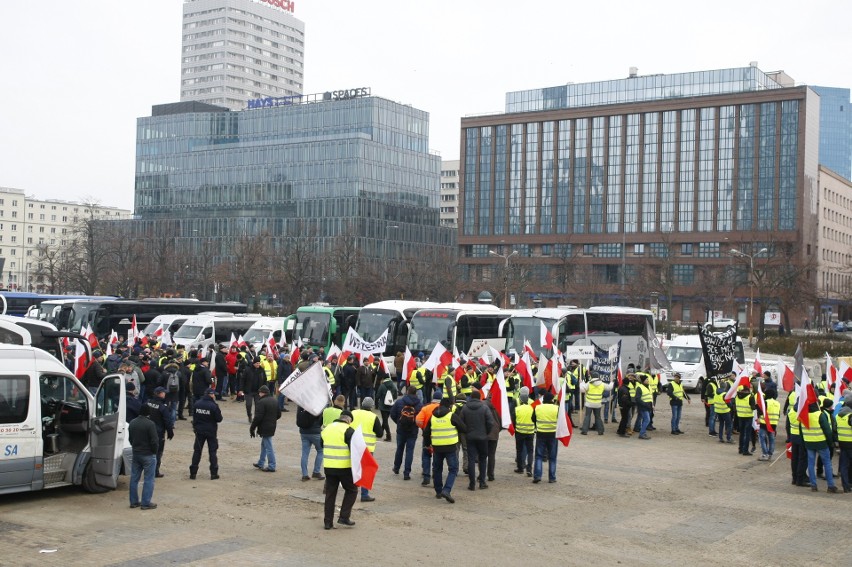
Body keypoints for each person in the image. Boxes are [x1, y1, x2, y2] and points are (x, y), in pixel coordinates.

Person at [321, 410, 358, 530]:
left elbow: (322, 444)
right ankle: (343, 516)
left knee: (330, 494)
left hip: (328, 466)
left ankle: (328, 522)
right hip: (344, 466)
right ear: (348, 420)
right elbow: (354, 449)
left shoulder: (326, 429)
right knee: (352, 490)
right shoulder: (349, 430)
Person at [424, 396, 463, 503]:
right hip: (450, 447)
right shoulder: (451, 416)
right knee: (453, 469)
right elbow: (463, 428)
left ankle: (438, 491)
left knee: (437, 469)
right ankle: (446, 490)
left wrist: (428, 444)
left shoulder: (433, 417)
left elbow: (426, 432)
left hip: (437, 447)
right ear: (450, 405)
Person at [459, 389, 494, 490]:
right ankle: (482, 482)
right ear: (479, 397)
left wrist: (466, 432)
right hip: (483, 437)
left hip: (470, 437)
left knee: (471, 459)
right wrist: (486, 432)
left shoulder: (465, 408)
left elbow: (461, 422)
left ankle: (472, 484)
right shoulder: (484, 407)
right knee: (482, 459)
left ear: (471, 397)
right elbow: (490, 422)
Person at [800, 402, 838, 493]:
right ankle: (830, 486)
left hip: (809, 443)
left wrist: (804, 443)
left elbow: (801, 432)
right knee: (827, 464)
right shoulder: (819, 415)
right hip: (821, 443)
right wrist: (830, 443)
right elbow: (827, 431)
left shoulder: (803, 415)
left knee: (810, 464)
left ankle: (813, 485)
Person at [351, 397, 383, 502]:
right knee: (366, 470)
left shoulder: (353, 413)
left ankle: (351, 490)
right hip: (367, 448)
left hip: (354, 445)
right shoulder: (373, 417)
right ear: (371, 407)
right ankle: (364, 494)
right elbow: (380, 433)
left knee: (353, 468)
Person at [128, 404, 159, 510]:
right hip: (148, 454)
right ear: (148, 413)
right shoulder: (150, 424)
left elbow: (130, 439)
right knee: (149, 479)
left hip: (136, 453)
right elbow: (155, 441)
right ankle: (145, 503)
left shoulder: (132, 422)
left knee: (134, 478)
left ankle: (133, 501)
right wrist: (154, 452)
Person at [390, 386, 423, 480]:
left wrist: (399, 422)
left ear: (407, 392)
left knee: (399, 448)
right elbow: (421, 418)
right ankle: (406, 473)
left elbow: (392, 414)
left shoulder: (399, 402)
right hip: (412, 431)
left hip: (401, 430)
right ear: (415, 393)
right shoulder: (419, 405)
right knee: (410, 451)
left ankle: (396, 468)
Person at [190, 388, 223, 480]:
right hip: (211, 431)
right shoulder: (213, 406)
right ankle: (214, 473)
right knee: (212, 452)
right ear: (211, 395)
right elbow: (219, 419)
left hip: (199, 431)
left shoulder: (197, 403)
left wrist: (195, 427)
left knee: (197, 451)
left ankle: (193, 473)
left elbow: (194, 418)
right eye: (214, 394)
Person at [250, 385, 282, 472]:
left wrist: (252, 428)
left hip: (265, 426)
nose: (258, 394)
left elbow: (258, 417)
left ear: (262, 393)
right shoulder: (275, 400)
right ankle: (261, 462)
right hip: (272, 425)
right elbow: (279, 414)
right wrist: (271, 419)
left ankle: (272, 465)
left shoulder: (261, 402)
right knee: (264, 445)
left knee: (268, 446)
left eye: (259, 392)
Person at [146, 386, 175, 478]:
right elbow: (167, 420)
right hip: (158, 431)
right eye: (163, 392)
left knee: (148, 450)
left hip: (147, 430)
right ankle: (155, 471)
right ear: (159, 394)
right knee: (158, 452)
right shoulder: (162, 407)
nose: (165, 394)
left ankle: (147, 469)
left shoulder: (148, 402)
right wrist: (170, 432)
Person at [531, 391, 558, 483]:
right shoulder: (556, 408)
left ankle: (537, 476)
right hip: (553, 434)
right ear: (552, 399)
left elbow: (533, 418)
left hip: (541, 433)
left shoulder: (538, 407)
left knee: (538, 456)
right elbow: (560, 420)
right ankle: (552, 477)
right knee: (552, 457)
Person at [297, 403, 325, 482]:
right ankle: (316, 471)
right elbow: (320, 420)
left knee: (305, 453)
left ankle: (304, 474)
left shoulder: (300, 405)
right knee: (320, 451)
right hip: (315, 432)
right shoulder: (316, 405)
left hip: (303, 432)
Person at [512, 386, 535, 476]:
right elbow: (535, 416)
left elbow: (513, 418)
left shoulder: (516, 404)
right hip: (530, 431)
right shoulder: (533, 403)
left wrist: (515, 427)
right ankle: (529, 469)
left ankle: (520, 467)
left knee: (519, 450)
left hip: (519, 431)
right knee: (530, 451)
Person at [239, 358, 265, 424]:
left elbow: (265, 380)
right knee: (248, 404)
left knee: (258, 405)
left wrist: (264, 390)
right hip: (248, 391)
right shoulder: (248, 370)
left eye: (259, 363)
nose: (258, 364)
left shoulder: (261, 370)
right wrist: (241, 389)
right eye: (257, 363)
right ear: (254, 363)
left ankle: (256, 418)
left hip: (258, 391)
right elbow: (242, 380)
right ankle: (249, 415)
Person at [756, 390, 780, 461]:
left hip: (765, 423)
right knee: (771, 439)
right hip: (773, 423)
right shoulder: (777, 403)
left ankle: (765, 454)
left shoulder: (765, 402)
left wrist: (757, 404)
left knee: (762, 438)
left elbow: (761, 412)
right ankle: (770, 454)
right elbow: (778, 414)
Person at [375, 371, 398, 442]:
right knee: (385, 420)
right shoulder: (393, 385)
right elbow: (395, 396)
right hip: (390, 405)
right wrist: (391, 400)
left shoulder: (382, 386)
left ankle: (388, 435)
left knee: (385, 421)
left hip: (383, 406)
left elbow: (377, 396)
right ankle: (380, 432)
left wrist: (377, 402)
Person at [735, 385, 755, 455]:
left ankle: (740, 449)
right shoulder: (750, 396)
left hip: (740, 416)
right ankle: (745, 450)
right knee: (747, 434)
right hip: (748, 416)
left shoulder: (737, 396)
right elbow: (753, 408)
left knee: (742, 433)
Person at [634, 374, 654, 440]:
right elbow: (637, 398)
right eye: (646, 379)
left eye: (647, 379)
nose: (648, 380)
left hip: (649, 406)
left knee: (645, 420)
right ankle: (642, 434)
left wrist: (652, 405)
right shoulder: (639, 387)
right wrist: (645, 404)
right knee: (647, 420)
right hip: (643, 407)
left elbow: (650, 396)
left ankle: (643, 432)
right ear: (643, 381)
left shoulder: (649, 387)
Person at [616, 373, 635, 437]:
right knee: (625, 419)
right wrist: (631, 404)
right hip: (624, 406)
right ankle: (622, 432)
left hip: (622, 405)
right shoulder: (625, 390)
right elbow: (625, 399)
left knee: (623, 419)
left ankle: (619, 430)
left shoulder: (622, 388)